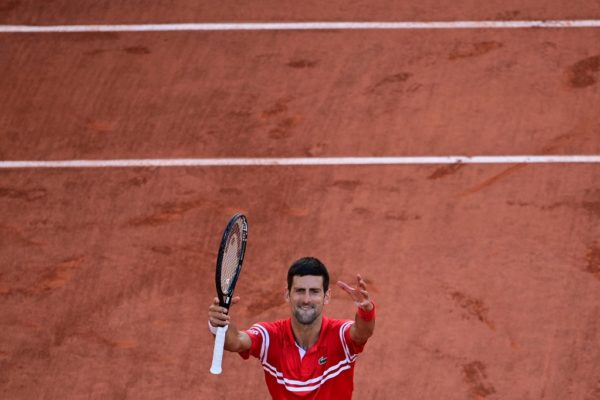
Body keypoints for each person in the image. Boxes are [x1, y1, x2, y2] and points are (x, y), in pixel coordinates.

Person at [208, 256, 376, 399]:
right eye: (300, 291)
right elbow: (235, 341)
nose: (306, 299)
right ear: (287, 295)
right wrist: (218, 324)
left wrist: (366, 311)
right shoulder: (269, 336)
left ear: (326, 296)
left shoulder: (339, 334)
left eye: (315, 292)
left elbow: (362, 333)